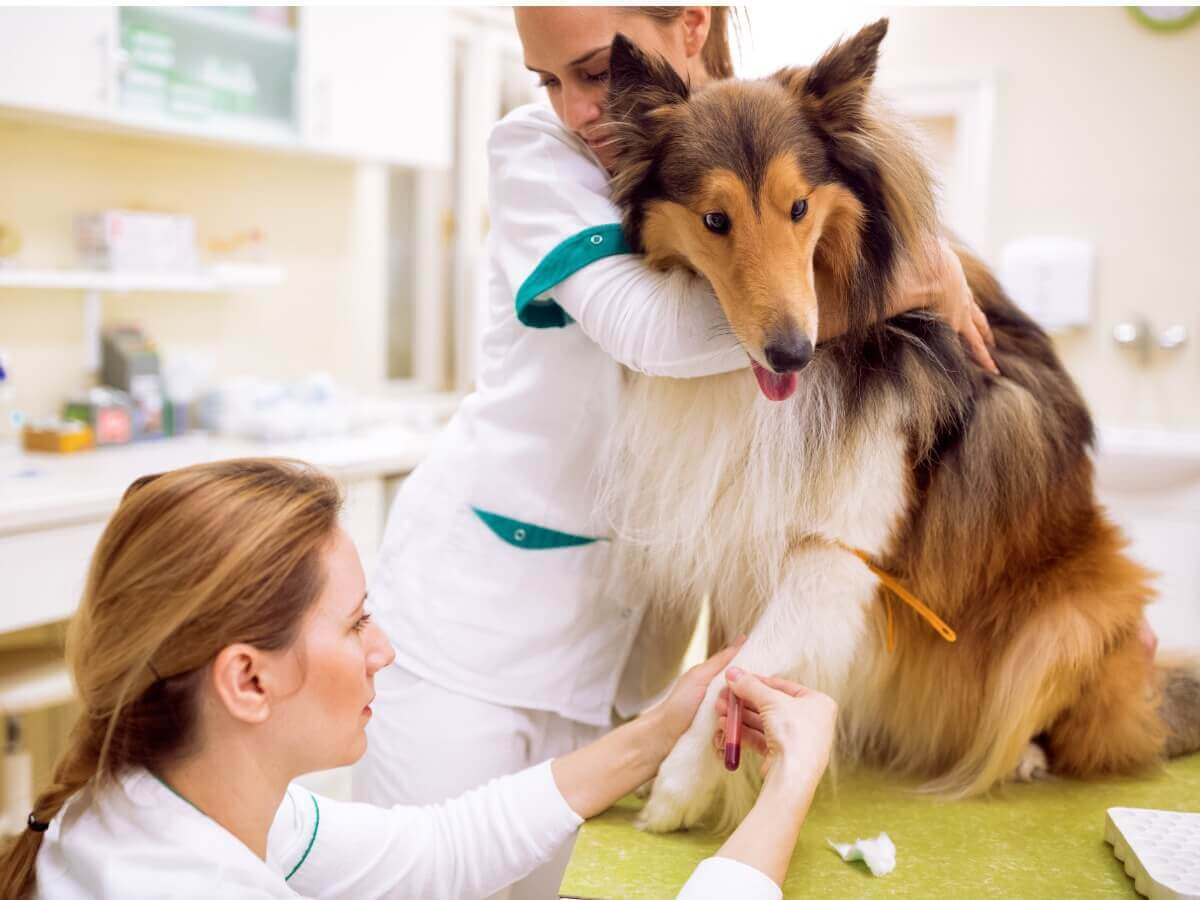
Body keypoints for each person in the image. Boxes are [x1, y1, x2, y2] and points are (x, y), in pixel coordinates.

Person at [357, 7, 995, 897]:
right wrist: (907, 280)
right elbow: (651, 331)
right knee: (416, 881)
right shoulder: (535, 153)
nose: (579, 108)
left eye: (594, 70)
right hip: (480, 634)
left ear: (691, 26)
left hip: (631, 645)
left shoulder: (757, 131)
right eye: (551, 79)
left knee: (567, 884)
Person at [0, 460, 837, 900]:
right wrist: (788, 788)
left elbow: (440, 849)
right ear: (247, 680)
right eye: (357, 622)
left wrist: (662, 730)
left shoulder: (171, 801)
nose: (385, 650)